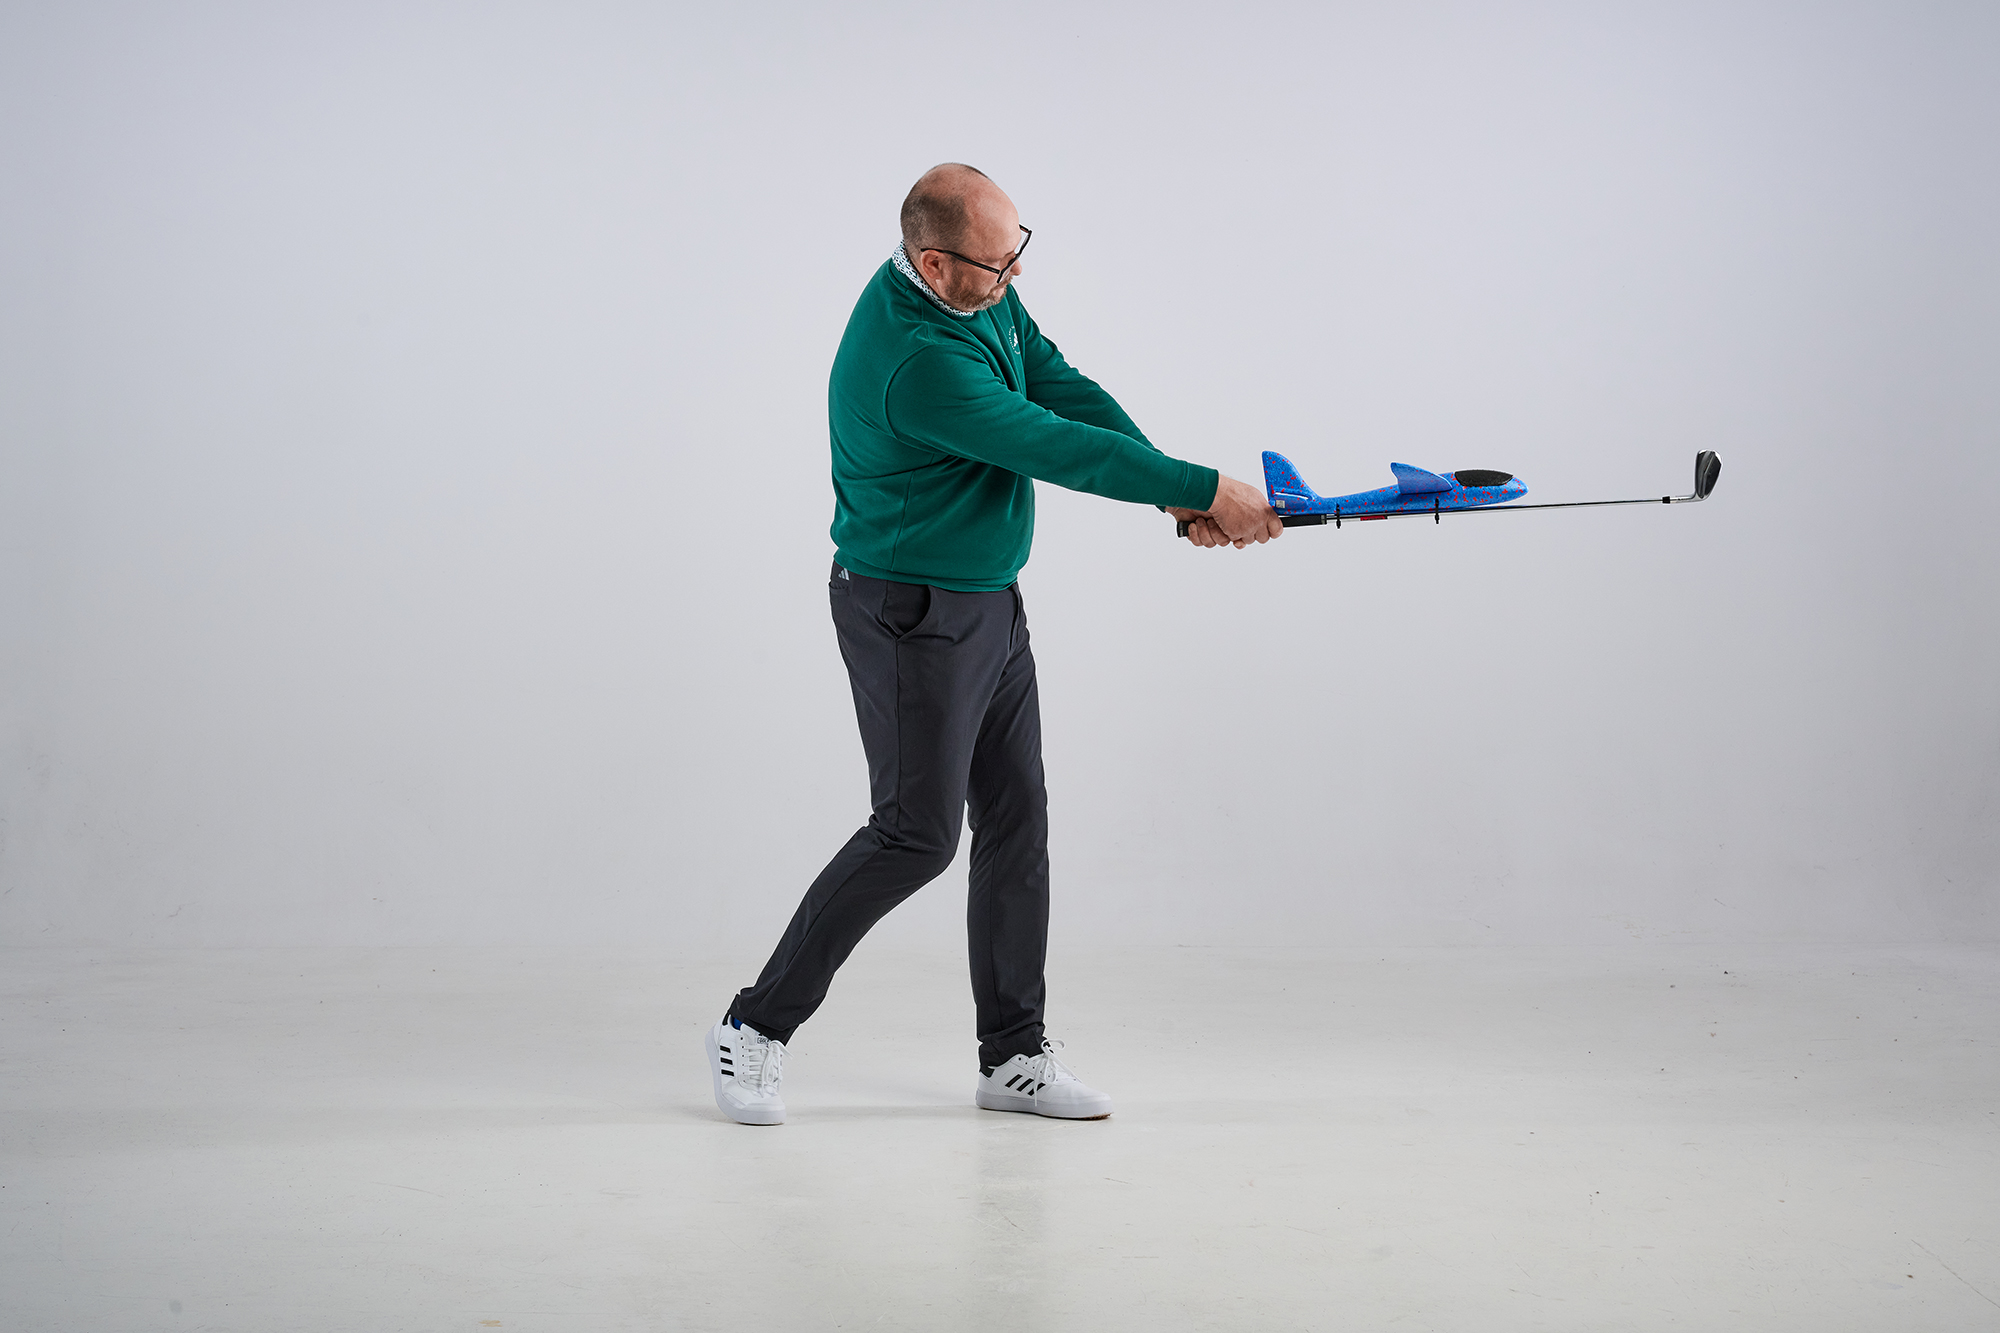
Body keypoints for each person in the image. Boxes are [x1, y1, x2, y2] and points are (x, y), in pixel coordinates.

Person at [704, 164, 1281, 1126]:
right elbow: (1051, 444)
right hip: (907, 611)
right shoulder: (916, 360)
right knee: (915, 835)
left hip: (988, 601)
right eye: (994, 263)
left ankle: (1012, 1053)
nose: (1012, 278)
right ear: (934, 260)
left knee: (1018, 819)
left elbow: (1064, 388)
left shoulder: (981, 291)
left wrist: (1180, 498)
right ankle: (755, 1025)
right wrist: (1202, 485)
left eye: (1019, 254)